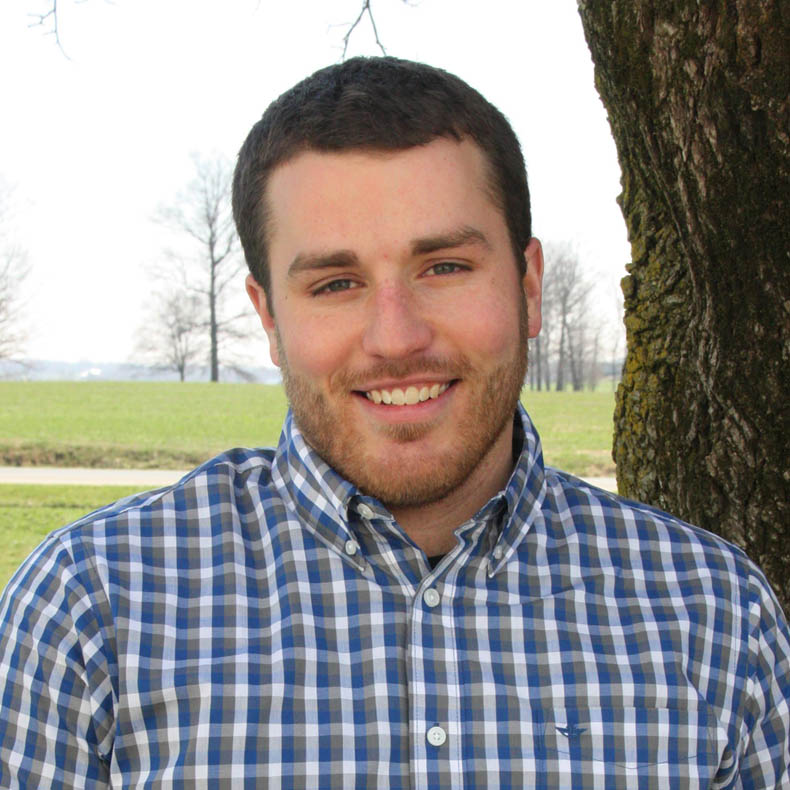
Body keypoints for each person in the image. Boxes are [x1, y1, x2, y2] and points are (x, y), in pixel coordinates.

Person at [1, 57, 788, 789]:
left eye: (444, 267)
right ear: (269, 319)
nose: (397, 337)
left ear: (529, 286)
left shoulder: (717, 618)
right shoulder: (89, 610)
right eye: (335, 283)